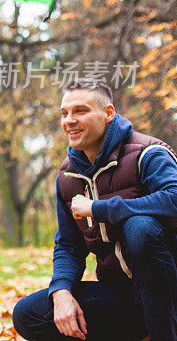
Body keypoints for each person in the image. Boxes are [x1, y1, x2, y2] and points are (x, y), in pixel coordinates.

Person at [13, 79, 177, 341]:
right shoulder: (68, 176)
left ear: (108, 113)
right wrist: (61, 291)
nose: (69, 120)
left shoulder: (148, 153)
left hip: (169, 292)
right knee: (28, 313)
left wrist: (99, 209)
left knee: (140, 227)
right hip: (123, 297)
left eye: (81, 111)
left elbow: (174, 200)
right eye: (64, 113)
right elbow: (68, 245)